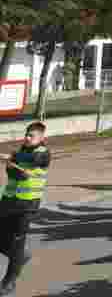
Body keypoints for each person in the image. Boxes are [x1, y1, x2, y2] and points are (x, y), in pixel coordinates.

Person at [0, 122, 50, 295]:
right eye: (27, 134)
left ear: (41, 137)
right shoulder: (20, 152)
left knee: (17, 242)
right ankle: (21, 257)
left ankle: (9, 281)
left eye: (32, 135)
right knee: (5, 241)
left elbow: (35, 161)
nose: (27, 138)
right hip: (8, 201)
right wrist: (12, 165)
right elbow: (13, 174)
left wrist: (13, 158)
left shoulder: (43, 153)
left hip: (27, 206)